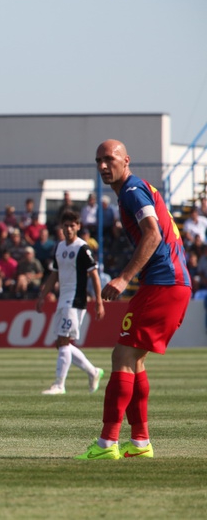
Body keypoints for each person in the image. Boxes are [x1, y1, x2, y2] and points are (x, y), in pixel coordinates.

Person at [75, 139, 191, 460]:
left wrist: (124, 277)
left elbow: (153, 233)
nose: (102, 166)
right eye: (98, 160)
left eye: (109, 159)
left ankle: (106, 444)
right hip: (170, 283)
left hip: (164, 284)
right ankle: (140, 444)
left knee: (121, 356)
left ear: (126, 160)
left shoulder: (131, 191)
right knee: (134, 360)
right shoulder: (139, 189)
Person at [35, 210, 105, 395]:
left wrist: (99, 301)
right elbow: (55, 274)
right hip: (63, 299)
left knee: (64, 341)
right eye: (65, 226)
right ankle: (93, 371)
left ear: (78, 227)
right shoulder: (59, 247)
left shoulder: (82, 248)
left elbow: (94, 275)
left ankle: (59, 384)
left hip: (76, 300)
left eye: (72, 226)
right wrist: (43, 296)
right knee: (61, 343)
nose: (68, 229)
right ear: (61, 227)